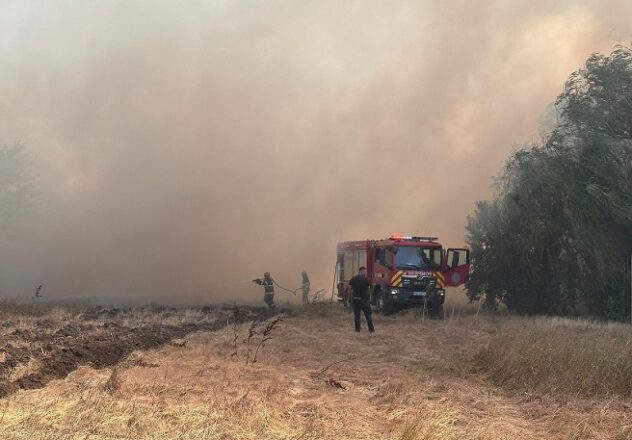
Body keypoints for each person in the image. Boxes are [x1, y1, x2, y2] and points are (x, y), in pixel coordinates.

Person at [348, 266, 375, 333]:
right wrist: (369, 298)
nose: (365, 272)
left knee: (357, 315)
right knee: (368, 315)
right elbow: (369, 288)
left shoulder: (353, 279)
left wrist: (351, 297)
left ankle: (357, 330)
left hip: (356, 299)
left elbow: (350, 288)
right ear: (361, 271)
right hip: (364, 300)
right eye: (365, 271)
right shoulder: (366, 280)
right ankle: (371, 330)